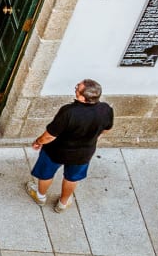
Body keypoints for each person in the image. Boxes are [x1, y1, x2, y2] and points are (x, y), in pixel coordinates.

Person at [27, 79, 113, 213]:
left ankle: (40, 197)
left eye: (78, 87)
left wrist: (38, 141)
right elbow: (107, 129)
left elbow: (50, 136)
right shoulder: (106, 109)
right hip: (83, 153)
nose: (76, 87)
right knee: (72, 177)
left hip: (56, 151)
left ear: (83, 97)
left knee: (46, 174)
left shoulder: (69, 111)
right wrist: (94, 138)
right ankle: (62, 203)